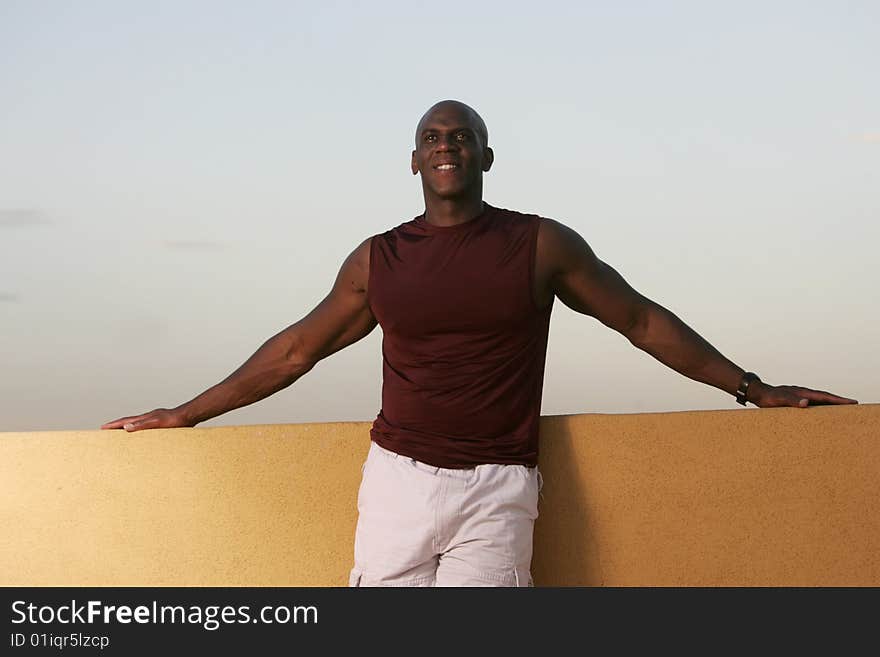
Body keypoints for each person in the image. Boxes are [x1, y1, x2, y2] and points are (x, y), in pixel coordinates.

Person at [103, 100, 858, 587]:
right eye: (432, 138)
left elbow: (639, 319)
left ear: (485, 157)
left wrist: (751, 387)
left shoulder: (541, 245)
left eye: (462, 137)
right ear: (413, 160)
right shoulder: (379, 258)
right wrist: (187, 413)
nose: (447, 146)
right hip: (398, 481)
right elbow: (297, 349)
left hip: (498, 487)